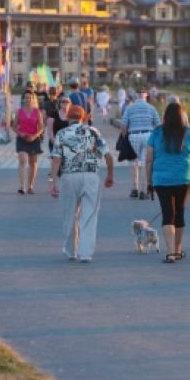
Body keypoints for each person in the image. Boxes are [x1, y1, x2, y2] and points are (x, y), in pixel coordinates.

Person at [48, 105, 114, 263]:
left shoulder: (61, 133)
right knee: (89, 215)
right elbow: (109, 156)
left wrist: (52, 181)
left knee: (69, 215)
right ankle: (85, 253)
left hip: (69, 177)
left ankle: (71, 251)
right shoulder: (93, 132)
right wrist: (110, 175)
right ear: (83, 118)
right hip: (91, 177)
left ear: (67, 118)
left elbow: (56, 159)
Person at [145, 102, 190, 263]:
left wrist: (148, 182)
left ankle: (169, 253)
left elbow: (149, 159)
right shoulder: (188, 133)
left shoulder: (156, 133)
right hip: (183, 178)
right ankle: (177, 249)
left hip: (161, 179)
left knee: (168, 213)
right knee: (180, 213)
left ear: (165, 116)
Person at [120, 86, 161, 200]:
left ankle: (135, 188)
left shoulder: (129, 108)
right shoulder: (151, 108)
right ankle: (144, 190)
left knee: (134, 163)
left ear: (136, 96)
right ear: (146, 95)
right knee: (144, 163)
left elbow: (123, 126)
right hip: (148, 135)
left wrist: (125, 139)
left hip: (133, 135)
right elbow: (158, 126)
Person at [15, 92, 45, 194]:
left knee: (33, 163)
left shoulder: (37, 112)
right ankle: (22, 186)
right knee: (22, 160)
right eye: (26, 98)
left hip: (34, 138)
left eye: (30, 98)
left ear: (33, 99)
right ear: (23, 99)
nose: (28, 100)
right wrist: (20, 133)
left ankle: (30, 185)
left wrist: (35, 136)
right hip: (22, 138)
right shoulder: (18, 111)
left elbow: (41, 127)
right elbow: (14, 126)